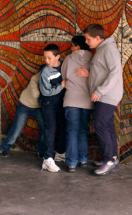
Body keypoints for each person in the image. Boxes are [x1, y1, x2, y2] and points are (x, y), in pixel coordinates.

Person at [76, 24, 123, 176]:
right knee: (107, 124)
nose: (87, 42)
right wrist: (89, 75)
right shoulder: (102, 49)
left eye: (88, 39)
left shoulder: (109, 49)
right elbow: (103, 72)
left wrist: (100, 91)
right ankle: (112, 158)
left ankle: (109, 160)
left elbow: (115, 72)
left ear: (97, 38)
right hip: (105, 94)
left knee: (100, 124)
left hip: (107, 95)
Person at [61, 36, 94, 173]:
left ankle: (71, 163)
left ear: (78, 47)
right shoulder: (93, 58)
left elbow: (63, 76)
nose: (70, 48)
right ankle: (83, 159)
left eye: (72, 45)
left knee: (72, 131)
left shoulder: (68, 59)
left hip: (72, 100)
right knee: (82, 130)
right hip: (87, 101)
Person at [0, 70, 46, 158]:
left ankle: (41, 151)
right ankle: (4, 148)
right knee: (17, 129)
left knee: (44, 127)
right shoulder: (34, 79)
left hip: (37, 107)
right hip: (25, 104)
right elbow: (36, 95)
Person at [39, 44, 66, 172]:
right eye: (45, 58)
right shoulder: (45, 71)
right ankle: (47, 159)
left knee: (65, 127)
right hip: (48, 104)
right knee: (50, 129)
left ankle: (60, 153)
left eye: (49, 58)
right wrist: (62, 85)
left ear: (57, 57)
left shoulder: (65, 65)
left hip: (61, 103)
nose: (47, 61)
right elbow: (46, 92)